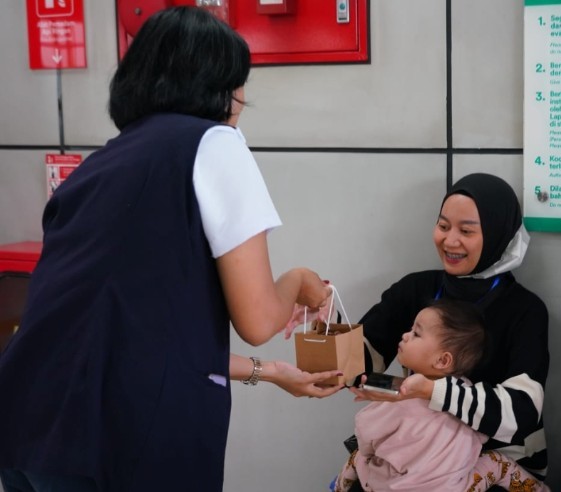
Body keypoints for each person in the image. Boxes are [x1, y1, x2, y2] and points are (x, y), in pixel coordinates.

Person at [0, 7, 340, 492]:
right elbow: (260, 320)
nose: (242, 101)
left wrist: (271, 374)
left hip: (25, 422)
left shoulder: (100, 165)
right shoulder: (217, 143)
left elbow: (137, 332)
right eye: (239, 85)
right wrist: (300, 280)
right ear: (221, 88)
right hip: (123, 437)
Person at [349, 173, 550, 487]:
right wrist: (324, 331)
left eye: (466, 230)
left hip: (499, 462)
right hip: (417, 450)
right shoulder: (415, 289)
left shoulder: (525, 310)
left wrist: (430, 391)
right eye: (443, 226)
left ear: (499, 233)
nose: (449, 240)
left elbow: (522, 412)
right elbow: (358, 368)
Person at [334, 299, 548, 492]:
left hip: (398, 487)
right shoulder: (469, 393)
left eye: (416, 333)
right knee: (498, 462)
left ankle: (338, 488)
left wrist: (366, 452)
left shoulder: (399, 399)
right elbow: (482, 434)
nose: (405, 335)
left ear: (443, 360)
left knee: (359, 458)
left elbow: (366, 432)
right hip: (455, 487)